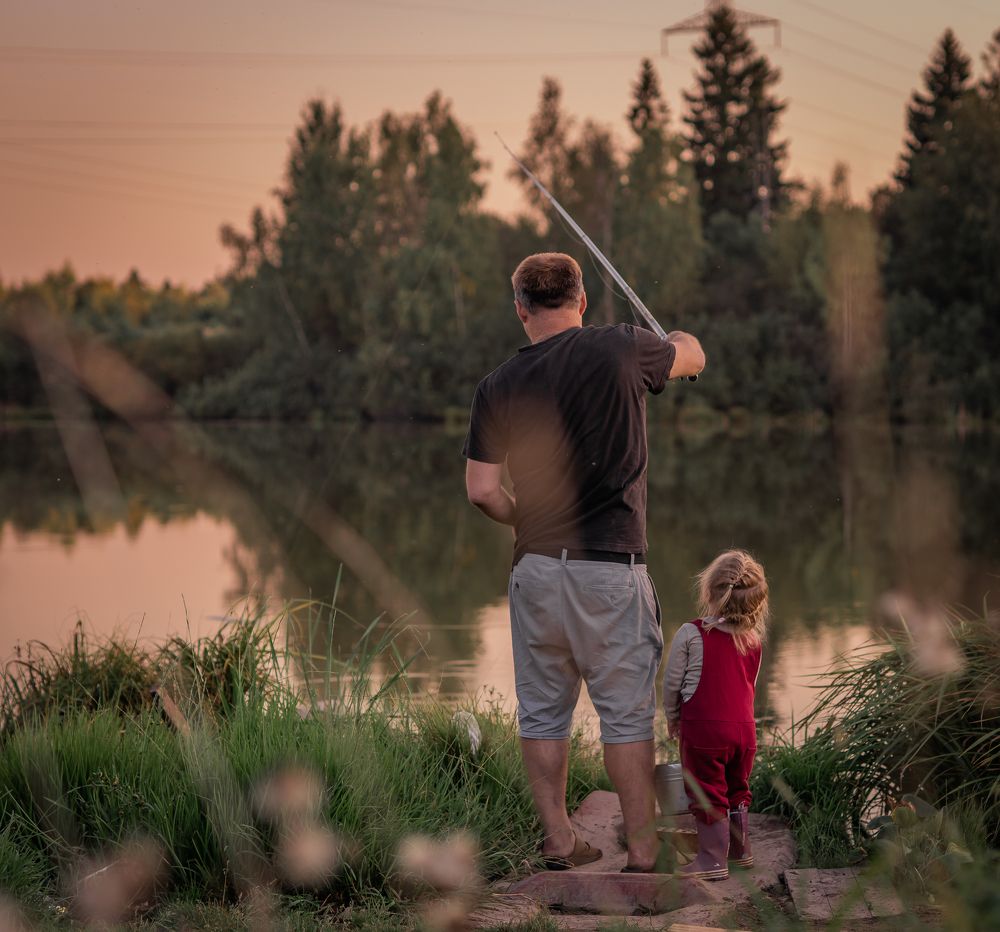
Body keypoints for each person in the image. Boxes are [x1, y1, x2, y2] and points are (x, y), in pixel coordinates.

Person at [463, 252, 705, 872]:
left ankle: (560, 841)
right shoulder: (624, 348)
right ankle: (645, 853)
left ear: (521, 309)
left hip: (537, 567)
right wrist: (675, 339)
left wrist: (526, 520)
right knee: (625, 714)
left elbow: (482, 491)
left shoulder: (496, 385)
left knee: (543, 710)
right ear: (582, 301)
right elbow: (693, 357)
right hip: (612, 570)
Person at [663, 550, 769, 881]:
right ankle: (740, 852)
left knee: (707, 792)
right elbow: (746, 688)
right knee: (737, 787)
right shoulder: (753, 640)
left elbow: (672, 684)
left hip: (705, 731)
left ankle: (711, 860)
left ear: (709, 592)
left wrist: (672, 716)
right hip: (744, 733)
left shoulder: (691, 634)